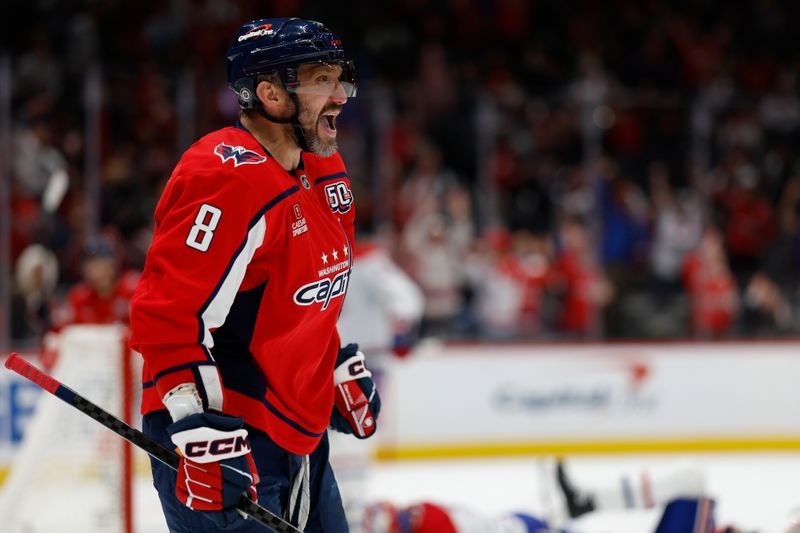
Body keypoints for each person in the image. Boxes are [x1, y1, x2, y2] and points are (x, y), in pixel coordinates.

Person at [129, 18, 380, 533]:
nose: (340, 96)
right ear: (270, 93)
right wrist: (196, 425)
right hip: (224, 435)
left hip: (298, 434)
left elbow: (299, 294)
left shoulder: (326, 170)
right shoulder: (223, 177)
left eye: (340, 79)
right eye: (320, 81)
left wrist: (326, 366)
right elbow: (167, 316)